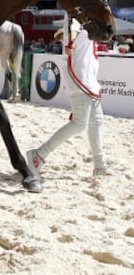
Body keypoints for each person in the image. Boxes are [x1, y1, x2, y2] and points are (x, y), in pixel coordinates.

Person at [27, 20, 111, 180]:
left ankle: (100, 167)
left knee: (97, 120)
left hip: (88, 78)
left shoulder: (86, 18)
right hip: (80, 77)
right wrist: (71, 43)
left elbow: (73, 31)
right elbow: (73, 29)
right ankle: (38, 154)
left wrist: (69, 39)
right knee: (80, 123)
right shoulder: (78, 17)